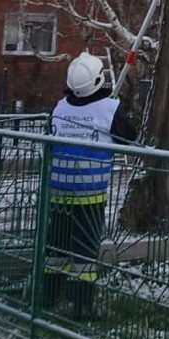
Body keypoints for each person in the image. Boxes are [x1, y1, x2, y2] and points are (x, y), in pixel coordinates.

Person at [44, 51, 137, 318]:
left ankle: (49, 295)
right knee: (84, 252)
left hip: (58, 194)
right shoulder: (108, 109)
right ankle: (81, 306)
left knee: (57, 248)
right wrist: (115, 110)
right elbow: (130, 138)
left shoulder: (60, 108)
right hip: (89, 196)